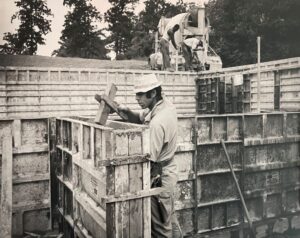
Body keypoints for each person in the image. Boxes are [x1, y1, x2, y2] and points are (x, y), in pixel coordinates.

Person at [117, 74, 182, 238]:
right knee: (169, 219)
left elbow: (149, 161)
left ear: (152, 93)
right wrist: (128, 113)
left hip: (160, 177)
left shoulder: (157, 122)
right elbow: (140, 117)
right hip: (168, 172)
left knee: (160, 229)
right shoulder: (164, 106)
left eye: (140, 94)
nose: (136, 98)